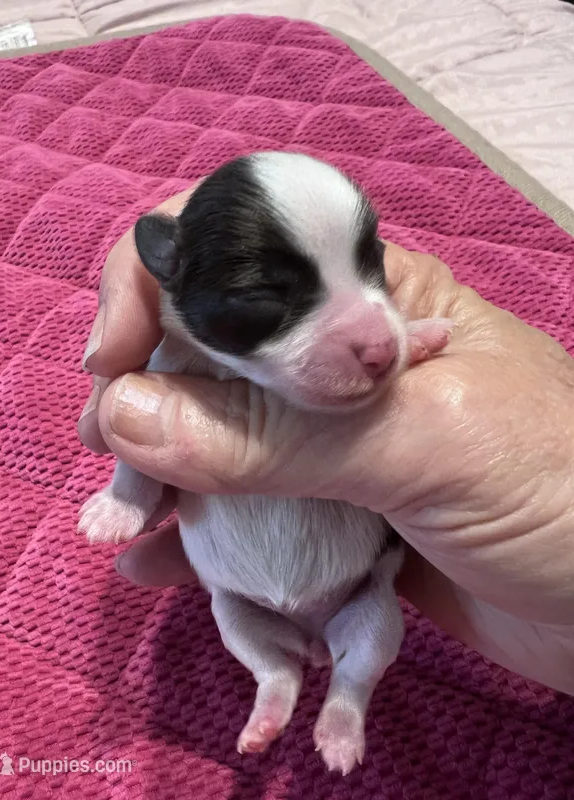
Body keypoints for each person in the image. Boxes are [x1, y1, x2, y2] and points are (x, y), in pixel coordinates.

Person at [78, 186, 574, 696]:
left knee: (369, 634)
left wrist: (396, 344)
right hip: (236, 587)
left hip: (361, 578)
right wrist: (128, 494)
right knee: (233, 617)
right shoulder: (184, 343)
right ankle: (273, 679)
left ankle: (341, 697)